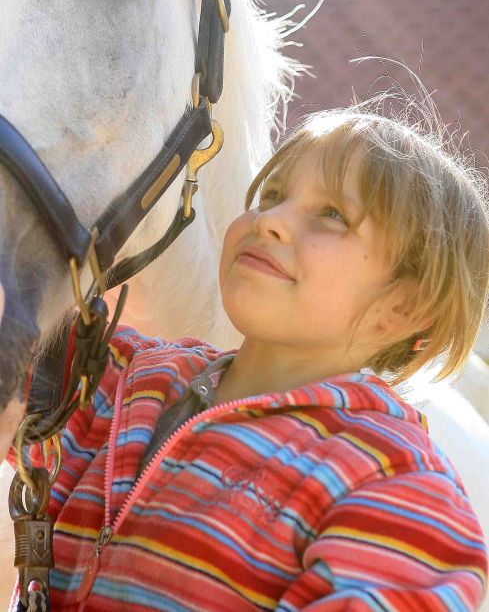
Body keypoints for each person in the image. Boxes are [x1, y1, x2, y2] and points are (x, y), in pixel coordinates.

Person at [7, 96, 489, 611]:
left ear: (403, 305)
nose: (271, 221)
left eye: (331, 214)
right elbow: (16, 336)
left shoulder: (395, 485)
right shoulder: (125, 377)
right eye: (272, 194)